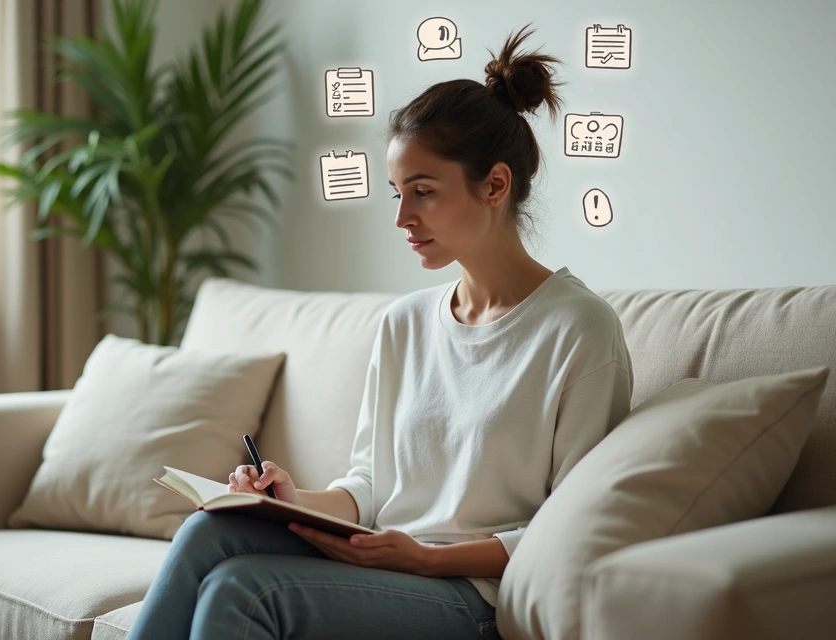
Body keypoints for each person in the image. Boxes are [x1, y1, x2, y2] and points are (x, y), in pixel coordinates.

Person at [127, 24, 634, 640]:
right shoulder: (405, 323)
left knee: (245, 591)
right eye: (396, 193)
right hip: (383, 557)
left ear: (495, 185)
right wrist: (291, 498)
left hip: (468, 595)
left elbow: (569, 527)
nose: (402, 218)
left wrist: (425, 557)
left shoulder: (578, 329)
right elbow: (369, 486)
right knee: (211, 531)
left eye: (422, 192)